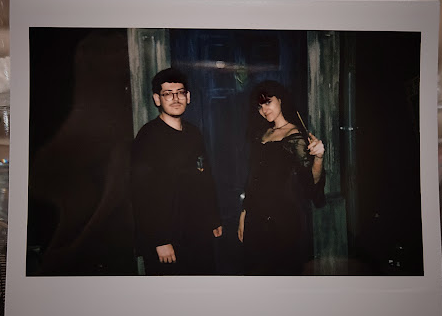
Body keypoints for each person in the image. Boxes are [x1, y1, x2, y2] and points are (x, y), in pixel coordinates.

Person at [130, 67, 223, 275]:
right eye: (168, 94)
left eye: (180, 92)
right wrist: (159, 240)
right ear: (157, 99)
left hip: (198, 230)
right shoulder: (148, 137)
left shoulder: (193, 133)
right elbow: (140, 194)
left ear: (188, 96)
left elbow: (205, 177)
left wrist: (213, 218)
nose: (175, 98)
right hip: (168, 237)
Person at [238, 80, 326, 275]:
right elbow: (252, 178)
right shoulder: (262, 133)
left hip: (282, 221)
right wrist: (244, 214)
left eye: (268, 102)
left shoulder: (295, 136)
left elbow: (310, 184)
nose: (264, 110)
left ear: (280, 99)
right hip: (255, 217)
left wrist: (319, 158)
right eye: (260, 106)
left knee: (281, 275)